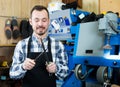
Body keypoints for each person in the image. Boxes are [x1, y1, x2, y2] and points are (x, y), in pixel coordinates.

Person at [9, 5, 69, 87]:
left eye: (44, 20)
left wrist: (56, 69)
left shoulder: (58, 45)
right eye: (36, 20)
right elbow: (12, 74)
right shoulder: (22, 45)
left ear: (49, 21)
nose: (40, 24)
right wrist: (23, 67)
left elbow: (65, 74)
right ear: (31, 22)